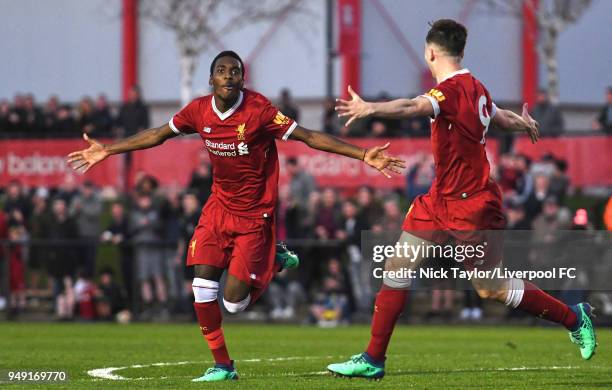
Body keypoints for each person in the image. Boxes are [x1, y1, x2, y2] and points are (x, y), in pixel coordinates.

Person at [66, 50, 404, 382]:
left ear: (243, 79)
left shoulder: (259, 111)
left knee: (234, 305)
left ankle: (273, 258)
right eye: (222, 70)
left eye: (236, 70)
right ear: (210, 79)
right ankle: (223, 367)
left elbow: (309, 137)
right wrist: (108, 150)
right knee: (201, 288)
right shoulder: (198, 110)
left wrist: (362, 154)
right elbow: (157, 134)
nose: (229, 74)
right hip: (218, 208)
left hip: (255, 215)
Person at [327, 19, 596, 380]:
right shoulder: (477, 88)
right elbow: (498, 116)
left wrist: (370, 109)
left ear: (431, 52)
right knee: (396, 267)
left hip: (472, 206)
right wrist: (523, 123)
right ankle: (373, 359)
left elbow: (411, 107)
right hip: (440, 200)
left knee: (491, 287)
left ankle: (573, 317)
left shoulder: (450, 91)